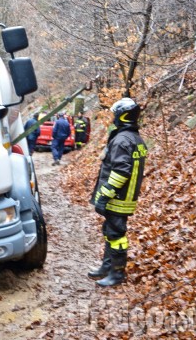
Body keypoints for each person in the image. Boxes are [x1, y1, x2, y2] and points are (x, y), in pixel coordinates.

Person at [88, 98, 148, 287]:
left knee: (116, 235)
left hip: (118, 198)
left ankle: (117, 274)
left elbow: (121, 171)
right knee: (110, 231)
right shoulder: (134, 138)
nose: (113, 117)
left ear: (122, 116)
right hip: (125, 197)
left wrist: (104, 196)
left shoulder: (122, 140)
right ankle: (107, 267)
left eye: (115, 114)